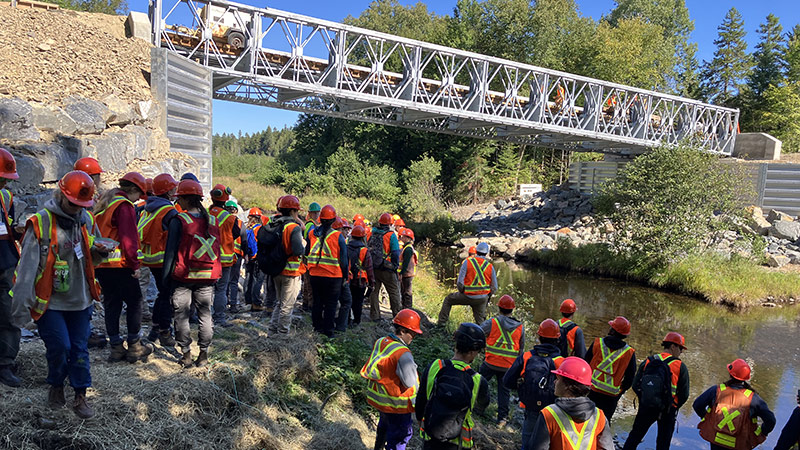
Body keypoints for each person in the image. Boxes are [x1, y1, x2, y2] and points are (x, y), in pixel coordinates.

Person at [11, 171, 103, 418]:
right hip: (50, 304)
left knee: (80, 349)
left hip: (81, 301)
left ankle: (80, 395)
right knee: (60, 347)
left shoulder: (86, 220)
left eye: (81, 206)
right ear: (62, 195)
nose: (76, 209)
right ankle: (56, 385)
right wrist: (20, 308)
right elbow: (27, 269)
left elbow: (87, 258)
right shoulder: (40, 223)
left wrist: (100, 253)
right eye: (73, 204)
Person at [161, 180, 222, 368]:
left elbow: (170, 252)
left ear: (185, 199)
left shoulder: (179, 220)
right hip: (207, 276)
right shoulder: (212, 220)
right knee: (205, 315)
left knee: (181, 316)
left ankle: (186, 355)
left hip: (183, 277)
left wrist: (165, 279)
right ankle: (203, 355)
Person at [94, 172, 153, 363]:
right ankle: (135, 345)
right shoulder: (124, 206)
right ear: (134, 190)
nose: (138, 200)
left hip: (102, 264)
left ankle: (116, 347)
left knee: (112, 304)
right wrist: (134, 265)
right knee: (135, 300)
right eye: (139, 195)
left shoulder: (105, 203)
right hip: (120, 265)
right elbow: (129, 239)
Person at [416, 323, 490, 449]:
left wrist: (421, 421)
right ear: (473, 352)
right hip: (459, 441)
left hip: (431, 435)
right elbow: (483, 404)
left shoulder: (435, 366)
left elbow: (421, 399)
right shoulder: (478, 380)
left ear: (455, 344)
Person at [360, 309, 422, 450]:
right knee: (400, 437)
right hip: (398, 405)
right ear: (403, 330)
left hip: (383, 401)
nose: (413, 337)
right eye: (412, 333)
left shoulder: (382, 341)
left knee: (384, 426)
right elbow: (410, 382)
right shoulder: (403, 353)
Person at [527, 357, 614, 450]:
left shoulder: (549, 414)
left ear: (567, 386)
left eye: (558, 379)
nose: (554, 382)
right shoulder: (599, 416)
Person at [622, 332, 690, 450]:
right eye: (680, 348)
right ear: (673, 347)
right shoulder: (680, 366)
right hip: (668, 410)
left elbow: (635, 384)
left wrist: (645, 398)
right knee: (663, 444)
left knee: (634, 437)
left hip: (646, 407)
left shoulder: (649, 361)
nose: (681, 352)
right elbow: (684, 394)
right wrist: (673, 405)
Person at [504, 319, 563, 448]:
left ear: (539, 337)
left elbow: (507, 381)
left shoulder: (526, 356)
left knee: (527, 441)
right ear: (557, 340)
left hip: (531, 407)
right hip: (553, 411)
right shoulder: (562, 362)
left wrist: (523, 387)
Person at [693, 359, 776, 450]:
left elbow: (697, 405)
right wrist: (762, 432)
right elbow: (770, 420)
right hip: (740, 444)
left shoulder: (716, 391)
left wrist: (707, 418)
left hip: (716, 441)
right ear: (746, 378)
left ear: (730, 374)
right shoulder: (753, 398)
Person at [138, 173, 179, 348]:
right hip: (164, 259)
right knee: (167, 296)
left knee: (162, 295)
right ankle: (164, 331)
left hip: (151, 258)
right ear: (168, 192)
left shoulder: (150, 207)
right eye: (173, 188)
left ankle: (156, 329)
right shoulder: (168, 211)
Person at [478, 294, 524, 428]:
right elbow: (521, 349)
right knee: (504, 392)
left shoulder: (492, 322)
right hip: (508, 366)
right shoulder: (520, 327)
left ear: (499, 308)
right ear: (512, 310)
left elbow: (478, 332)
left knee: (479, 383)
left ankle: (478, 408)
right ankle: (502, 419)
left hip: (490, 362)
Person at [306, 205, 347, 337]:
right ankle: (329, 331)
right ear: (333, 219)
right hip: (333, 276)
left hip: (315, 274)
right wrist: (345, 276)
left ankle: (317, 328)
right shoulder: (338, 236)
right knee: (331, 304)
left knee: (317, 302)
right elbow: (344, 261)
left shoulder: (312, 234)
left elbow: (306, 252)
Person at [266, 195, 305, 335]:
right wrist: (304, 245)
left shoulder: (274, 223)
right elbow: (298, 250)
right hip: (290, 272)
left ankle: (272, 331)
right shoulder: (292, 227)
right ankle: (282, 336)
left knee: (280, 303)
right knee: (287, 306)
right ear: (293, 211)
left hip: (276, 270)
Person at [585, 316, 636, 420]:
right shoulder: (629, 353)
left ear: (612, 330)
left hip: (591, 391)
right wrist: (619, 393)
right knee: (603, 424)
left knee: (585, 421)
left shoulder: (597, 343)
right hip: (611, 397)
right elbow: (629, 379)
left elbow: (584, 364)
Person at [0, 148, 21, 387]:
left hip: (6, 263)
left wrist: (17, 230)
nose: (5, 181)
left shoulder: (6, 197)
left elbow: (8, 226)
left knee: (8, 315)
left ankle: (5, 363)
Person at [437, 242, 497, 326]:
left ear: (476, 251)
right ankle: (482, 336)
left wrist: (462, 291)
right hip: (482, 299)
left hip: (467, 295)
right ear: (486, 253)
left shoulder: (467, 262)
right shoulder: (490, 266)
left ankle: (441, 324)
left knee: (448, 300)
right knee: (481, 323)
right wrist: (487, 296)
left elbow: (460, 283)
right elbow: (494, 287)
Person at [209, 184, 239, 327]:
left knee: (206, 289)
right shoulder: (229, 218)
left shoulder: (206, 214)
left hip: (207, 256)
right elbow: (237, 233)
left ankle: (203, 317)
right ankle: (219, 319)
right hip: (224, 258)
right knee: (221, 289)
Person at [368, 213, 403, 321]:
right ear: (390, 224)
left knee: (374, 292)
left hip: (374, 267)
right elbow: (396, 252)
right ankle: (397, 317)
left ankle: (375, 316)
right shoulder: (391, 235)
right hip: (387, 268)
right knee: (394, 292)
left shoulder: (372, 233)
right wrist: (395, 266)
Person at [347, 224, 374, 327]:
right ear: (363, 237)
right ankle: (356, 322)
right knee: (358, 302)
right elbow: (369, 268)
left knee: (347, 301)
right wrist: (372, 283)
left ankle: (348, 320)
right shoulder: (364, 251)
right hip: (360, 281)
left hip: (347, 279)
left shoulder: (346, 247)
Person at [224, 200, 246, 313]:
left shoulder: (221, 221)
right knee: (233, 281)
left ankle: (223, 304)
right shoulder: (240, 223)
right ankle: (233, 305)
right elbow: (244, 240)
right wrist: (246, 254)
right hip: (236, 255)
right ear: (236, 211)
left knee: (223, 281)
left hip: (223, 254)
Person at [331, 218, 352, 333]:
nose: (346, 232)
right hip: (338, 276)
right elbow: (343, 261)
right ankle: (340, 327)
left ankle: (335, 325)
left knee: (334, 302)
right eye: (344, 229)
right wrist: (345, 277)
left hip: (335, 275)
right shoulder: (339, 241)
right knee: (346, 301)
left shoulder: (330, 239)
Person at [244, 208, 265, 312]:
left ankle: (248, 300)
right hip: (257, 257)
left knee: (249, 278)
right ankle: (256, 302)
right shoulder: (260, 228)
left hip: (249, 257)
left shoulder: (247, 228)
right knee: (258, 279)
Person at [301, 202, 320, 313]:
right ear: (310, 213)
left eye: (317, 212)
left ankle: (305, 303)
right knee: (309, 282)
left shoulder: (309, 224)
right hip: (309, 257)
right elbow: (310, 241)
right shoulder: (311, 225)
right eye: (315, 212)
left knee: (307, 282)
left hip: (307, 255)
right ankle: (309, 305)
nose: (317, 214)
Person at [398, 228, 417, 309]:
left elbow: (405, 263)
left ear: (408, 238)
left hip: (407, 274)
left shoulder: (408, 249)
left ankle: (407, 308)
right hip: (407, 273)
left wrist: (401, 273)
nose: (402, 238)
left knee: (407, 292)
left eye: (404, 236)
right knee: (404, 291)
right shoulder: (407, 247)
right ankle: (405, 308)